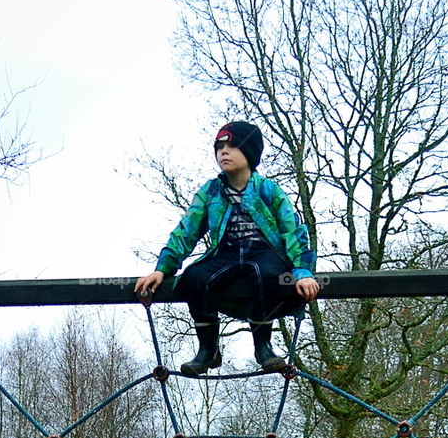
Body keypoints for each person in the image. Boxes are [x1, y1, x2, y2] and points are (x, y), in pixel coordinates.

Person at [135, 121, 319, 376]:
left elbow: (293, 231)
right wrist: (163, 268)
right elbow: (186, 231)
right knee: (195, 277)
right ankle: (208, 349)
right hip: (227, 252)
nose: (224, 152)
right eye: (220, 147)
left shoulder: (268, 190)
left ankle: (263, 346)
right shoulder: (211, 192)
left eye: (232, 146)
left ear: (250, 152)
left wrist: (302, 270)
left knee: (265, 274)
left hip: (263, 251)